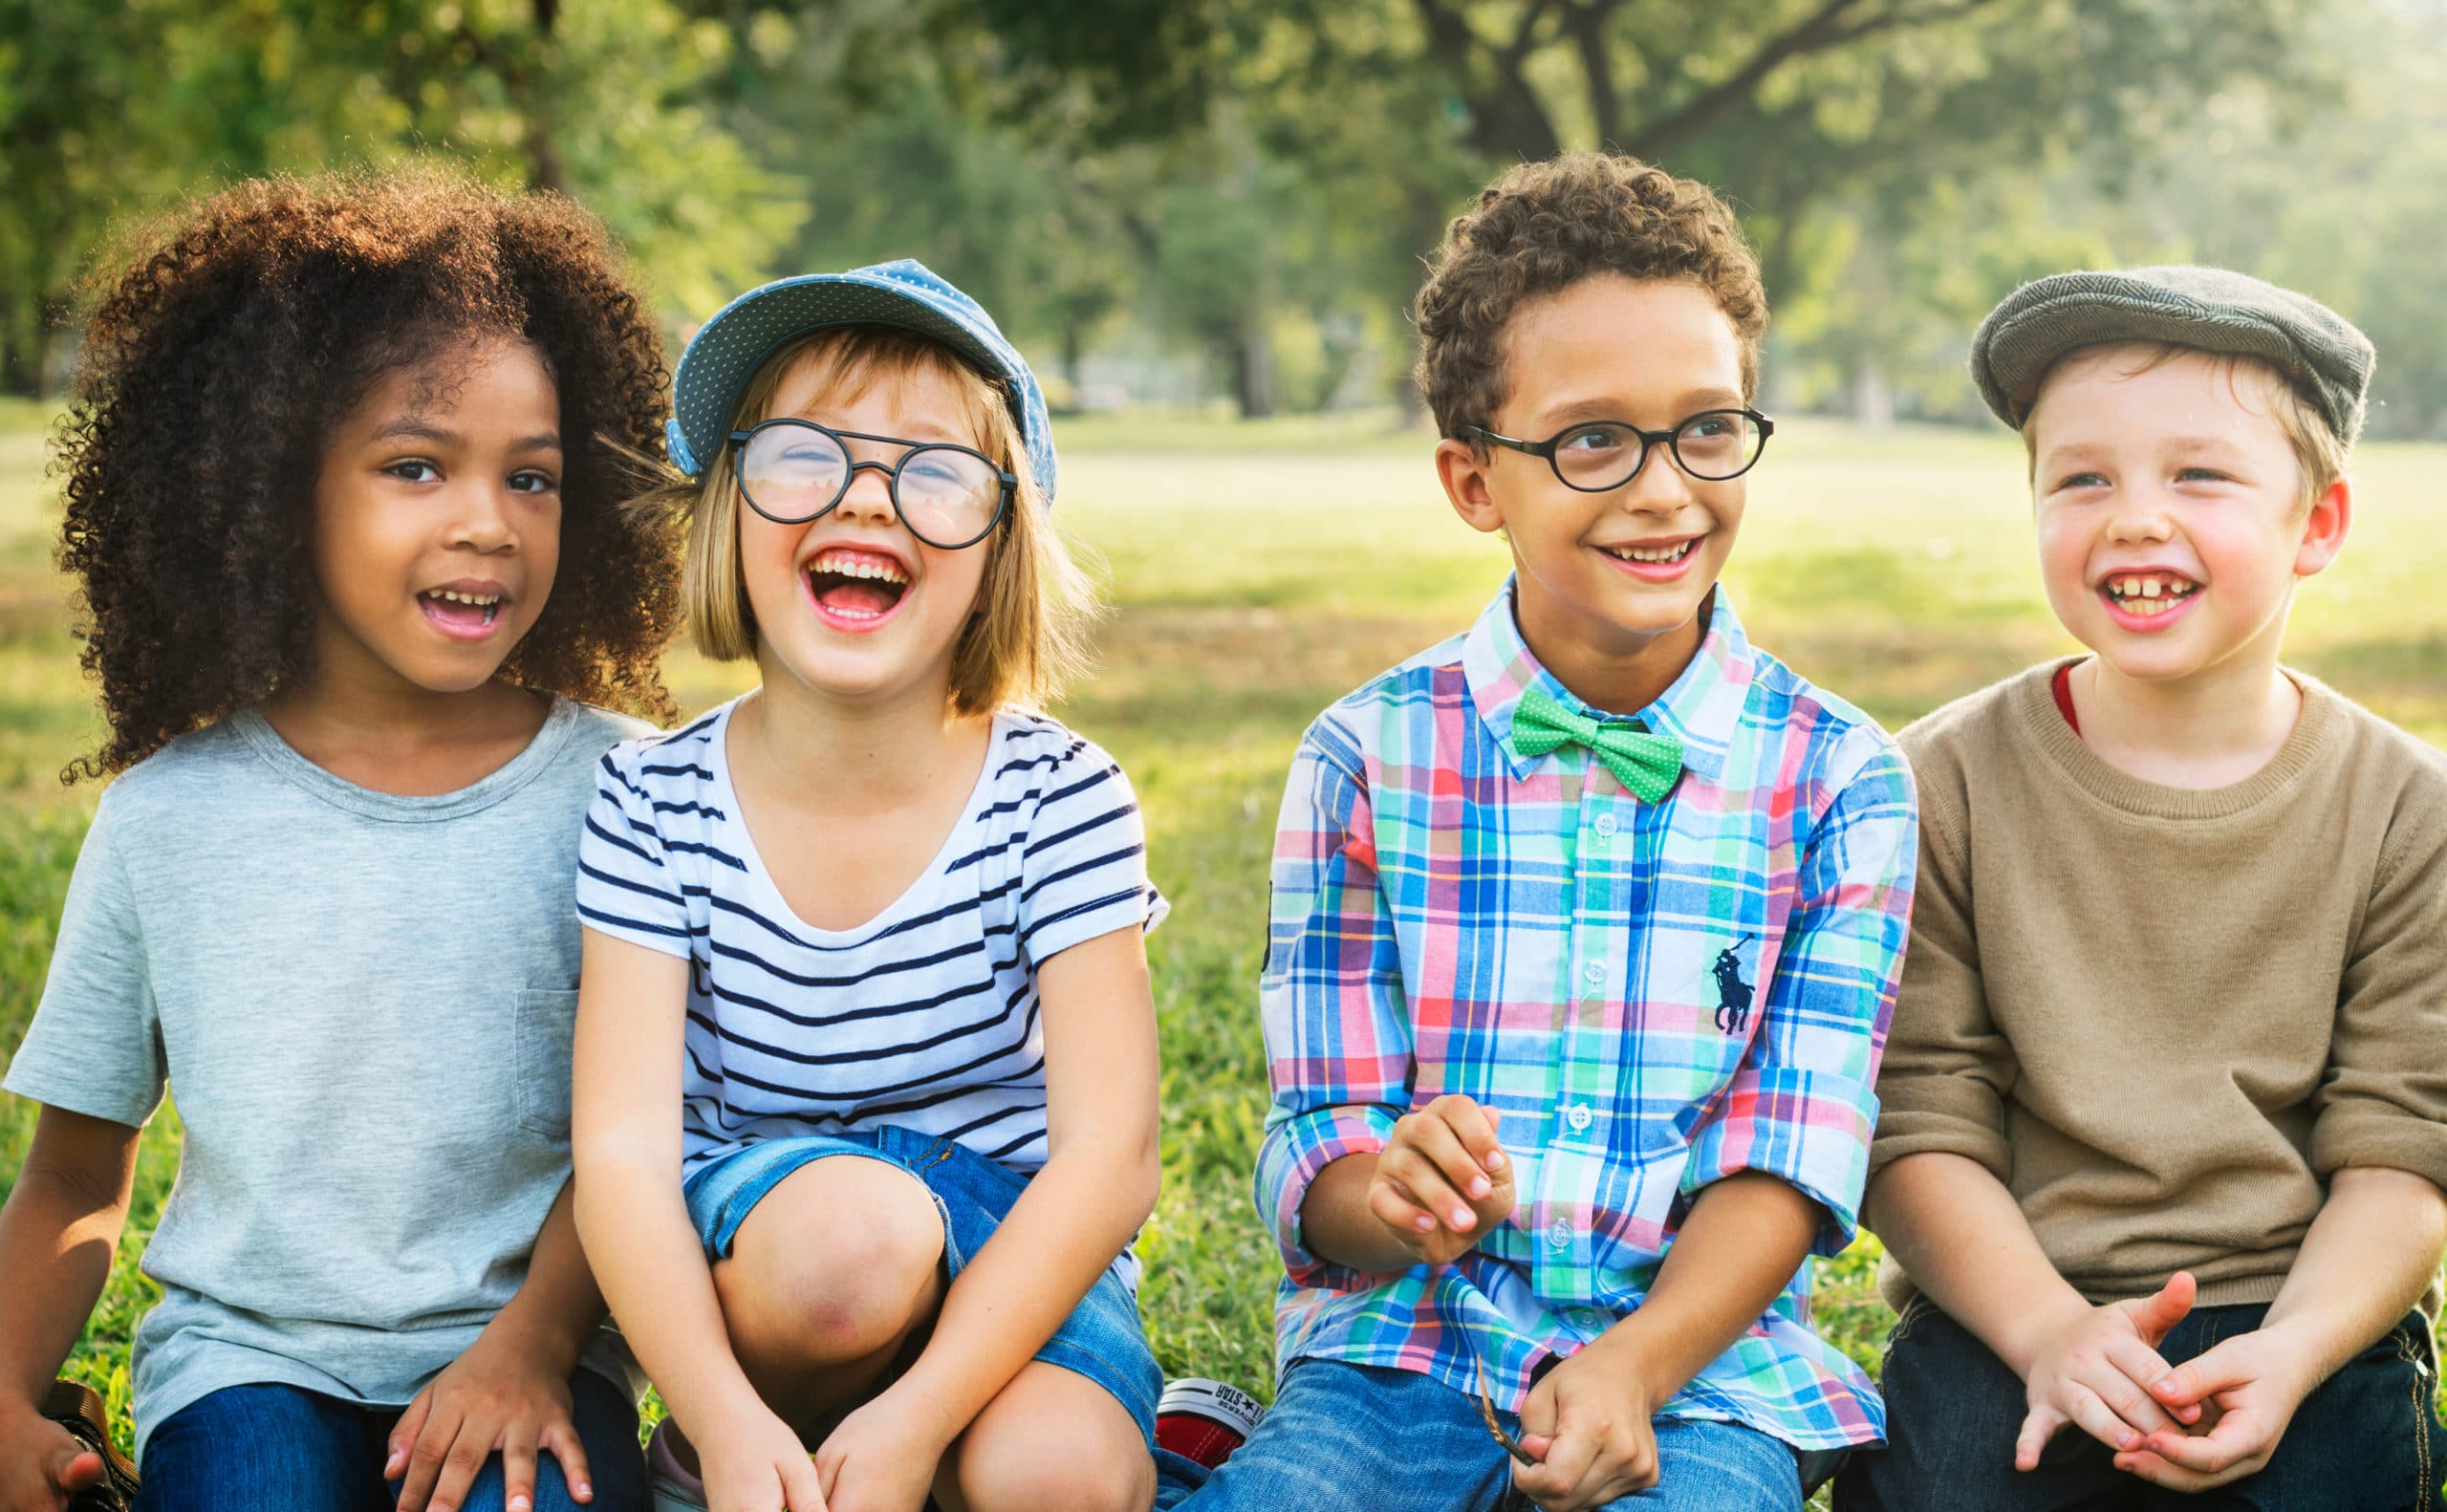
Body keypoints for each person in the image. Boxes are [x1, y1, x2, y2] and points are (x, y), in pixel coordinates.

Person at [1156, 151, 1916, 1512]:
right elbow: (1318, 1136)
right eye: (1591, 440)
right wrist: (1384, 1186)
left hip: (1698, 1368)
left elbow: (1788, 1156)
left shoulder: (1840, 779)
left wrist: (1633, 1365)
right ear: (1472, 479)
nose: (1665, 488)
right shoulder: (1362, 759)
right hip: (1405, 1350)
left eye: (1707, 426)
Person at [0, 170, 682, 1512]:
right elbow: (76, 1171)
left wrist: (535, 1345)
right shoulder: (169, 816)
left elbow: (650, 1137)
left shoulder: (636, 793)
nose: (487, 519)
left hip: (534, 1351)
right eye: (415, 464)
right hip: (245, 1362)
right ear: (270, 488)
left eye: (532, 476)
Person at [1836, 266, 2447, 1510]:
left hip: (2298, 1305)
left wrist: (2290, 1351)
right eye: (2082, 478)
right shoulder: (1935, 783)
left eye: (2199, 474)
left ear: (2317, 524)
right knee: (1952, 1483)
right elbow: (1917, 1119)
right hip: (2012, 1300)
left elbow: (2403, 1148)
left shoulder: (2405, 808)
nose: (2132, 517)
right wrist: (2051, 1333)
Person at [569, 262, 1163, 1512]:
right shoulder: (653, 804)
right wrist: (723, 1418)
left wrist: (916, 1419)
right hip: (782, 1242)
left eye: (936, 472)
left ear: (1003, 539)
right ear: (729, 504)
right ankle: (742, 1464)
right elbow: (623, 1154)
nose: (870, 502)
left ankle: (901, 1463)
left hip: (1015, 1247)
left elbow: (1107, 1160)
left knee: (1057, 1476)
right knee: (856, 1238)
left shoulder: (1061, 796)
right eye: (804, 455)